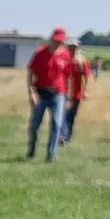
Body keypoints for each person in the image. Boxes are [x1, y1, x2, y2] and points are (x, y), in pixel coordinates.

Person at [25, 27, 74, 161]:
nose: (58, 43)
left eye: (61, 41)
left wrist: (68, 97)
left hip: (58, 94)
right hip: (41, 92)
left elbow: (68, 78)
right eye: (56, 40)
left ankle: (51, 154)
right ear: (52, 39)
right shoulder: (40, 53)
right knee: (35, 124)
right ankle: (32, 149)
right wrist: (31, 92)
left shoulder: (66, 56)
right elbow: (30, 73)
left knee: (57, 124)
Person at [61, 41, 86, 144]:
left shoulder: (81, 61)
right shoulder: (62, 59)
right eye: (71, 47)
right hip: (63, 92)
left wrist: (85, 91)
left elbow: (85, 77)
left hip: (76, 94)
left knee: (71, 117)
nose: (73, 49)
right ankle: (62, 136)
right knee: (63, 115)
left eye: (75, 47)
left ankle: (68, 137)